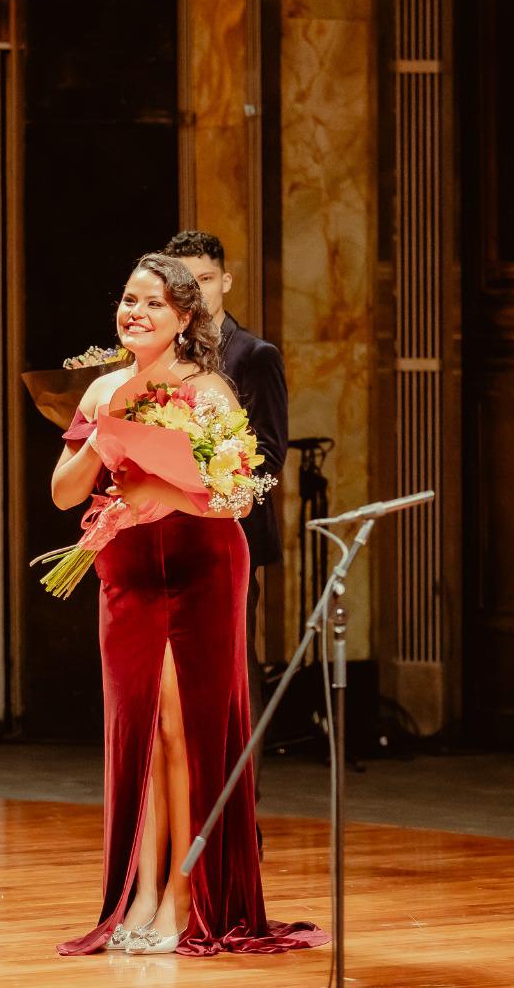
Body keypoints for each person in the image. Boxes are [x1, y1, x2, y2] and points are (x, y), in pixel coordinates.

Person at [50, 253, 326, 957]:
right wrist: (101, 427)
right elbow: (62, 492)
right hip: (130, 568)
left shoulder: (210, 393)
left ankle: (183, 895)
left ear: (182, 319)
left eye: (150, 303)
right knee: (140, 729)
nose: (133, 312)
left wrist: (166, 493)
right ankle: (137, 893)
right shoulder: (103, 388)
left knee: (182, 729)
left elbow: (237, 498)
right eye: (127, 299)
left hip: (202, 564)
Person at [163, 231, 288, 733]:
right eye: (184, 282)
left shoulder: (255, 354)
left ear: (226, 281)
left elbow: (270, 453)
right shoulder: (158, 355)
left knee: (234, 664)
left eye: (206, 279)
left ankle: (239, 802)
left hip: (230, 531)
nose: (196, 290)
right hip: (162, 528)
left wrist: (204, 483)